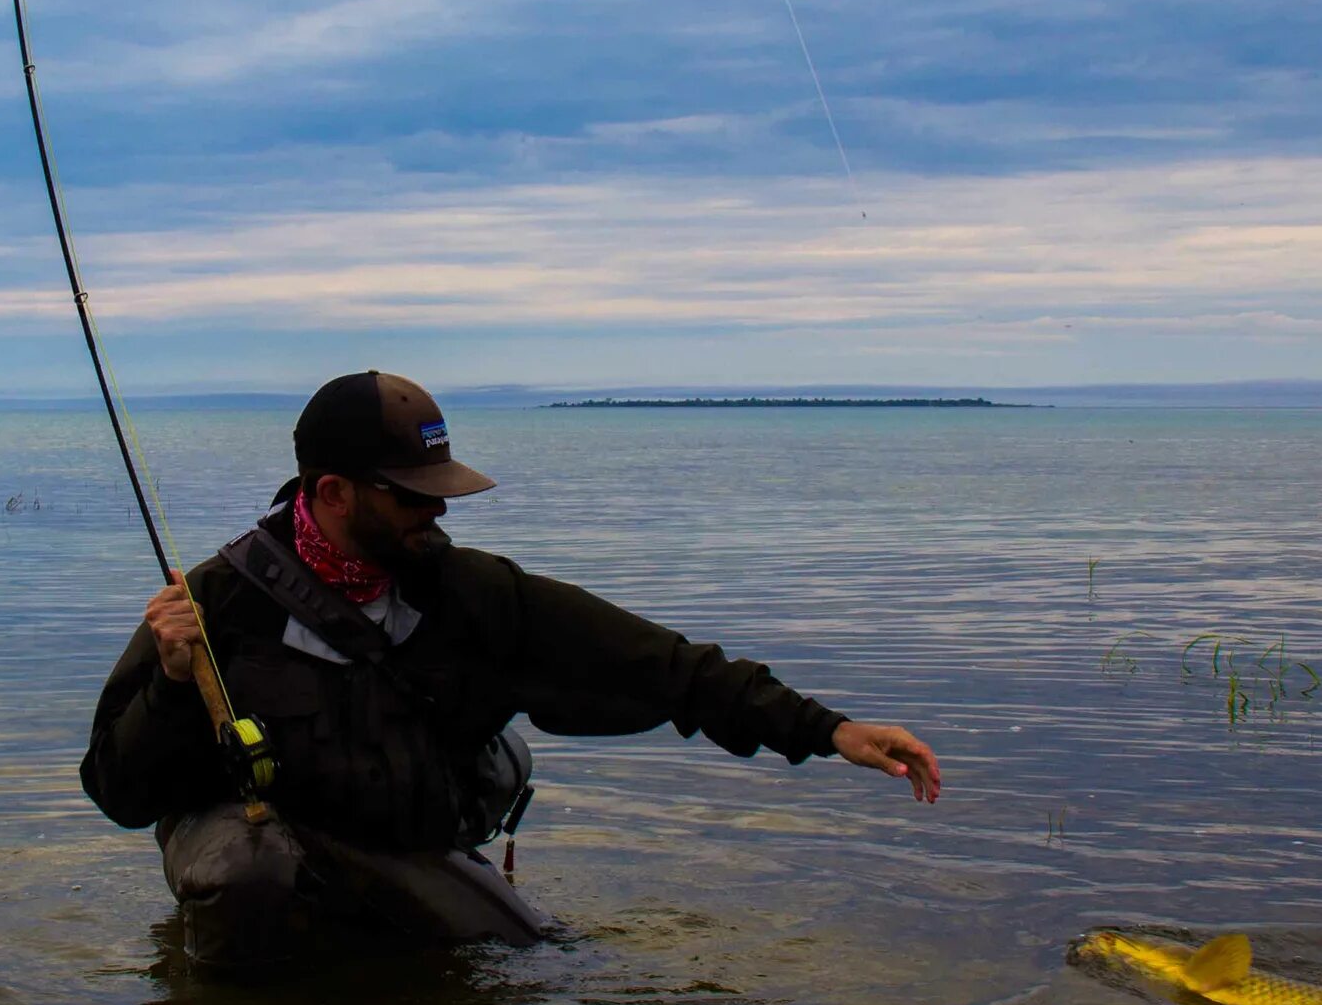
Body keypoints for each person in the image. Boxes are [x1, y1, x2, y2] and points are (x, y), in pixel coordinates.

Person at [82, 371, 943, 968]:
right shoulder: (211, 605)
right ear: (332, 493)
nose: (439, 507)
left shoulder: (475, 595)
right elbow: (119, 793)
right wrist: (168, 680)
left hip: (398, 845)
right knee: (250, 869)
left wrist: (828, 729)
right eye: (412, 492)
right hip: (262, 846)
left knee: (534, 957)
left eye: (441, 485)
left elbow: (664, 666)